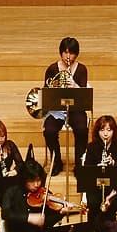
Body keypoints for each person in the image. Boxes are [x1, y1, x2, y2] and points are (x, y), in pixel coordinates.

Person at [43, 37, 89, 176]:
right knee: (49, 131)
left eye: (71, 53)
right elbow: (46, 91)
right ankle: (56, 161)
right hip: (57, 109)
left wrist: (74, 85)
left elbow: (84, 95)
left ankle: (80, 163)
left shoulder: (81, 69)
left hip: (76, 109)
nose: (68, 56)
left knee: (82, 129)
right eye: (65, 52)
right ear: (61, 52)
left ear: (76, 54)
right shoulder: (52, 69)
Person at [82, 115, 117, 217]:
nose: (105, 134)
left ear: (114, 131)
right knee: (93, 202)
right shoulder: (92, 146)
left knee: (114, 204)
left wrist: (114, 163)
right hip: (97, 186)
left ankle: (113, 224)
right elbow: (87, 170)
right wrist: (98, 167)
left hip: (115, 186)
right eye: (102, 130)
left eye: (109, 130)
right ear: (97, 132)